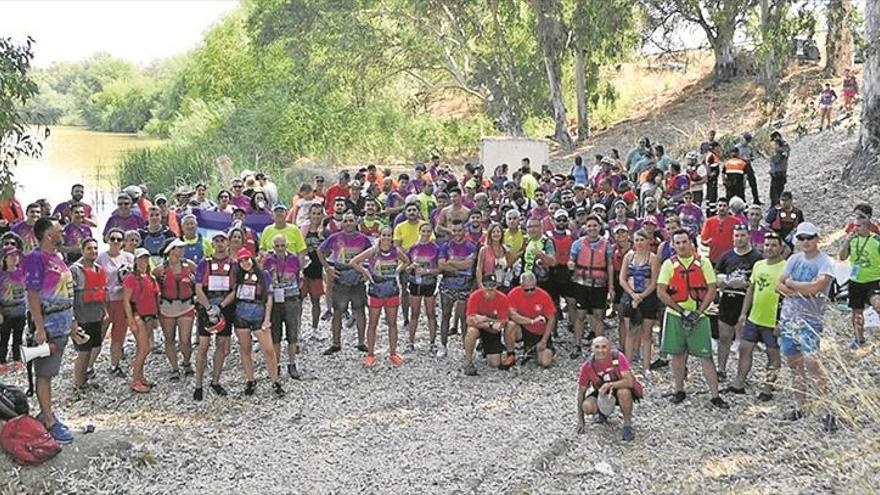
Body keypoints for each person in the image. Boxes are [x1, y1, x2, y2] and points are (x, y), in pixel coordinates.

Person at [656, 229, 729, 409]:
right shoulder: (668, 264)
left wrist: (698, 312)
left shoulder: (703, 262)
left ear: (691, 243)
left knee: (706, 356)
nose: (681, 246)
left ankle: (715, 395)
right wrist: (681, 311)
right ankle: (679, 389)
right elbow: (661, 291)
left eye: (684, 242)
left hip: (700, 316)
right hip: (675, 315)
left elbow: (712, 289)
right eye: (677, 243)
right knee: (677, 354)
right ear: (673, 245)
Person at [775, 222, 837, 431]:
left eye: (809, 237)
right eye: (801, 238)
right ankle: (800, 406)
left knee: (812, 363)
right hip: (789, 318)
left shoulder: (826, 262)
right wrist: (798, 290)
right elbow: (778, 285)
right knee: (794, 364)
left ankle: (827, 409)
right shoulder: (793, 259)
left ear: (817, 238)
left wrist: (792, 285)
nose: (806, 242)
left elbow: (816, 287)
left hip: (810, 319)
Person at [23, 217, 76, 443]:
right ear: (47, 234)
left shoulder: (57, 257)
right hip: (48, 325)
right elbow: (32, 294)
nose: (62, 231)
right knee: (44, 374)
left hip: (63, 322)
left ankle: (47, 412)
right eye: (58, 229)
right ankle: (48, 420)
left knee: (51, 372)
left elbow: (67, 291)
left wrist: (73, 323)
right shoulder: (36, 258)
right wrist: (40, 328)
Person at [727, 232, 785, 400]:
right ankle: (739, 383)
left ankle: (768, 387)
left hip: (773, 319)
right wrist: (744, 312)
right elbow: (751, 290)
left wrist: (782, 321)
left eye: (774, 245)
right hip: (754, 316)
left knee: (772, 354)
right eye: (767, 245)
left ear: (781, 247)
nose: (770, 248)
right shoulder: (759, 265)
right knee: (745, 348)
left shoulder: (786, 267)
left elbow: (788, 296)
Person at [220, 248, 285, 397]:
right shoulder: (238, 276)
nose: (245, 263)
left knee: (268, 350)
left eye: (247, 259)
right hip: (241, 314)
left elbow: (269, 297)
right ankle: (250, 379)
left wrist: (267, 319)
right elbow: (233, 292)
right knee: (245, 349)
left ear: (252, 258)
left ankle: (275, 381)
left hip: (258, 314)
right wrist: (221, 306)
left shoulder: (264, 275)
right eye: (241, 261)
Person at [351, 226, 409, 367]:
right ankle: (370, 354)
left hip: (392, 291)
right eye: (384, 235)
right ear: (380, 236)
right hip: (375, 291)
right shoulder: (373, 251)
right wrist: (365, 272)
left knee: (392, 323)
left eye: (389, 235)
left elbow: (407, 261)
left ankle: (393, 353)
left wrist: (397, 271)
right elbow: (353, 261)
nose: (387, 238)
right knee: (373, 323)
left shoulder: (395, 251)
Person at [318, 212, 372, 355]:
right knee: (337, 312)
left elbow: (373, 255)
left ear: (356, 222)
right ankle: (336, 343)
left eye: (351, 221)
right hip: (340, 275)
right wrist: (327, 267)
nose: (348, 223)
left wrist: (367, 272)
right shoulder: (335, 237)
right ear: (342, 223)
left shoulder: (363, 239)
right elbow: (320, 250)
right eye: (346, 221)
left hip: (357, 277)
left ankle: (361, 342)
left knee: (360, 310)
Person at [714, 225, 763, 381]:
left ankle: (742, 375)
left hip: (748, 303)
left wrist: (746, 284)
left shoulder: (757, 258)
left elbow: (761, 281)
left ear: (748, 236)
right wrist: (723, 282)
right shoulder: (726, 256)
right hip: (728, 300)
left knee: (746, 342)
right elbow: (716, 276)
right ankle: (721, 369)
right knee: (724, 337)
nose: (739, 239)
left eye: (742, 235)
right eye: (736, 235)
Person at [192, 232, 235, 401]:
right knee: (203, 345)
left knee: (222, 345)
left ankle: (216, 380)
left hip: (226, 305)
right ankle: (198, 384)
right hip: (206, 304)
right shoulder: (205, 263)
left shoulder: (234, 264)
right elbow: (198, 288)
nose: (219, 244)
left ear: (227, 243)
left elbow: (235, 288)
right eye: (216, 241)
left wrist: (221, 306)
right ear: (212, 244)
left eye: (222, 240)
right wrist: (209, 307)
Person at [576, 337, 641, 441]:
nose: (600, 350)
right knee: (587, 406)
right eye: (597, 347)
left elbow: (629, 381)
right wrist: (581, 420)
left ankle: (627, 424)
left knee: (623, 392)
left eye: (604, 347)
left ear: (609, 348)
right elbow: (581, 392)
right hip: (602, 392)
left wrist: (610, 385)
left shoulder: (618, 357)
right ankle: (601, 413)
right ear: (591, 349)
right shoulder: (587, 366)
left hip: (620, 388)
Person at [568, 215, 614, 358]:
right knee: (580, 315)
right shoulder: (578, 243)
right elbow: (571, 260)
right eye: (589, 226)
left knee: (599, 316)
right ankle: (577, 345)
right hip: (581, 284)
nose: (592, 228)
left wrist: (611, 286)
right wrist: (570, 264)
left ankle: (599, 348)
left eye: (595, 225)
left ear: (600, 227)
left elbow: (610, 266)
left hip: (600, 285)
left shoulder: (606, 244)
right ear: (585, 228)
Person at [153, 239, 197, 381]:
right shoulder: (160, 270)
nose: (182, 250)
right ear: (171, 250)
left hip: (186, 305)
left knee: (185, 340)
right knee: (169, 339)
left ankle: (186, 362)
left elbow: (200, 280)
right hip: (167, 307)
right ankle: (174, 368)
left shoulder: (189, 265)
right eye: (179, 247)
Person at [618, 229, 660, 372]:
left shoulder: (653, 258)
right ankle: (627, 366)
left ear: (648, 241)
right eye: (637, 240)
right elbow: (622, 279)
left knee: (646, 334)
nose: (639, 243)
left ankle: (646, 366)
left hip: (648, 297)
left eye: (642, 240)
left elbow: (654, 282)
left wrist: (642, 296)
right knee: (630, 332)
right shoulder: (629, 256)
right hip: (630, 296)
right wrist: (631, 293)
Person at [96, 227, 134, 377]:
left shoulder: (129, 257)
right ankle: (89, 365)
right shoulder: (101, 258)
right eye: (113, 239)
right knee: (100, 333)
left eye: (119, 239)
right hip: (105, 300)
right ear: (107, 240)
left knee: (119, 334)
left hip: (122, 300)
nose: (116, 242)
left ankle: (114, 365)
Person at [264, 234, 303, 379]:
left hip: (291, 298)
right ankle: (277, 364)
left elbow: (299, 277)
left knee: (292, 333)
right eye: (277, 246)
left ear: (286, 246)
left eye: (282, 245)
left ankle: (292, 364)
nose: (280, 249)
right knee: (275, 334)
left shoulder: (293, 258)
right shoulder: (268, 260)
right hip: (275, 299)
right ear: (273, 247)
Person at [838, 215, 880, 349]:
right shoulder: (852, 240)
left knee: (878, 304)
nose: (855, 228)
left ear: (867, 227)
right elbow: (842, 256)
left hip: (874, 280)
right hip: (856, 281)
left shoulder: (876, 240)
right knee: (857, 311)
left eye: (858, 226)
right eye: (854, 225)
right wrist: (846, 241)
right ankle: (859, 338)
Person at [69, 238, 106, 390]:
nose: (93, 251)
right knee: (83, 351)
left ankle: (84, 380)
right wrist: (72, 319)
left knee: (91, 349)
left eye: (95, 248)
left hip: (96, 316)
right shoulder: (75, 270)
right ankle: (78, 385)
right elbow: (69, 296)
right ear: (82, 250)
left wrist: (105, 312)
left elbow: (103, 292)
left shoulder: (98, 268)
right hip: (81, 317)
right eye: (89, 248)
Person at [122, 248, 160, 393]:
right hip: (138, 316)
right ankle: (135, 380)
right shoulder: (131, 278)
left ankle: (140, 376)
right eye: (141, 258)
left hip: (149, 315)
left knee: (144, 348)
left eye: (146, 258)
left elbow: (154, 297)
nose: (143, 261)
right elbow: (126, 300)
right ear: (135, 261)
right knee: (144, 348)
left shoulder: (150, 277)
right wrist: (131, 320)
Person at [438, 221, 478, 357]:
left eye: (459, 230)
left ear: (464, 231)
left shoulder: (471, 247)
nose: (457, 233)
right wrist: (460, 265)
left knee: (463, 318)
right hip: (447, 285)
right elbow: (442, 265)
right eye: (454, 231)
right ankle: (443, 345)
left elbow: (469, 264)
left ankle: (466, 347)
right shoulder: (445, 246)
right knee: (445, 315)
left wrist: (452, 262)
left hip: (465, 286)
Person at [462, 273, 512, 375]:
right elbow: (469, 320)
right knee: (471, 331)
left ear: (496, 286)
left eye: (492, 285)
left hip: (491, 331)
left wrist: (483, 319)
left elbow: (502, 323)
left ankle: (488, 349)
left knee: (495, 363)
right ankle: (468, 361)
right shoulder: (475, 296)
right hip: (480, 328)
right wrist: (489, 323)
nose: (490, 288)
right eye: (487, 285)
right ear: (482, 285)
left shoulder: (503, 298)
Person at [503, 272, 556, 368]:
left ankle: (538, 349)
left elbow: (551, 319)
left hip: (540, 332)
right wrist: (531, 321)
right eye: (526, 290)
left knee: (545, 362)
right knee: (510, 325)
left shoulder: (544, 296)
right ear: (521, 285)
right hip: (523, 329)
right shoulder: (513, 294)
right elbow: (513, 315)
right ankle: (510, 354)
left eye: (532, 289)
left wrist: (544, 340)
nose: (530, 292)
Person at [406, 223, 440, 352]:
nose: (425, 234)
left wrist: (427, 271)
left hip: (429, 283)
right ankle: (410, 342)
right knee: (414, 313)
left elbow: (440, 269)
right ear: (419, 232)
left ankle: (432, 342)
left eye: (428, 231)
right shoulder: (413, 248)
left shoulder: (436, 248)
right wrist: (411, 268)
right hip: (415, 283)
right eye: (423, 231)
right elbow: (407, 267)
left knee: (431, 313)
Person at [302, 204, 328, 332]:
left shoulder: (325, 231)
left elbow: (328, 251)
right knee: (298, 300)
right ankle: (297, 328)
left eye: (319, 213)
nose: (316, 216)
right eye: (314, 213)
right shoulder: (303, 230)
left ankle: (314, 328)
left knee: (315, 300)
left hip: (317, 270)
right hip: (304, 269)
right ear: (310, 215)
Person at [0, 244, 25, 374]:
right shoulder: (2, 275)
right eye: (11, 256)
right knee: (4, 337)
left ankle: (17, 359)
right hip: (6, 311)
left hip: (20, 310)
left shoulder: (22, 272)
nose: (14, 258)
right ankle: (2, 361)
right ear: (5, 258)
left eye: (16, 255)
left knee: (18, 337)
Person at [700, 197, 740, 264]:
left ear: (728, 208)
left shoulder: (736, 222)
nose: (722, 208)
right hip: (713, 257)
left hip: (731, 258)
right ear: (716, 207)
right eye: (720, 205)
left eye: (724, 206)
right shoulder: (709, 222)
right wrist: (707, 242)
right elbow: (703, 240)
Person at [476, 223, 513, 291]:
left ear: (502, 234)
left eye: (498, 232)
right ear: (490, 234)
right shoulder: (484, 250)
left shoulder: (506, 250)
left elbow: (510, 268)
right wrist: (480, 285)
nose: (496, 234)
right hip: (488, 285)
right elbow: (479, 269)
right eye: (493, 232)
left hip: (503, 286)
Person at [767, 132, 790, 207]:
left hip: (779, 173)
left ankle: (775, 207)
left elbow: (777, 160)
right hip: (776, 173)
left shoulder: (783, 149)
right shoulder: (779, 150)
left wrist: (778, 150)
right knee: (774, 192)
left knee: (775, 192)